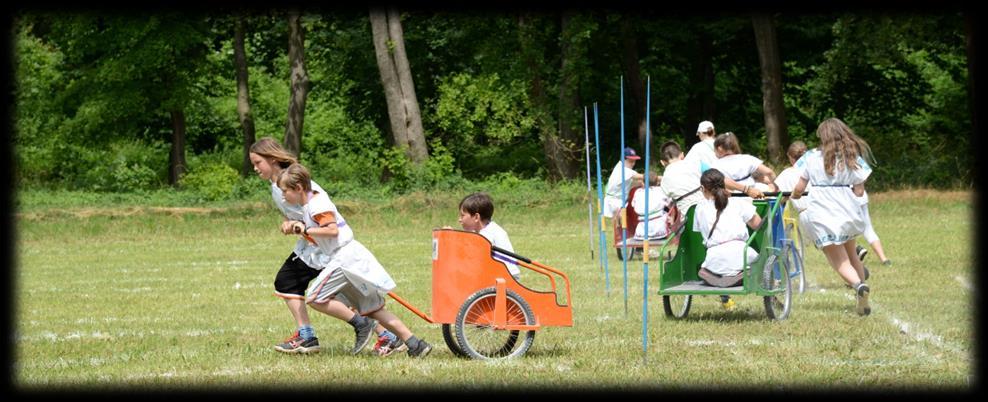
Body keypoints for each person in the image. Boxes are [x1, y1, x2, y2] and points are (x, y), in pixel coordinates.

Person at [248, 138, 399, 356]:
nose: (254, 168)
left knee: (331, 292)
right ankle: (387, 336)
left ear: (272, 159)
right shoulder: (276, 185)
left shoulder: (292, 180)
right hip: (312, 247)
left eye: (257, 162)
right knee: (333, 292)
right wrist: (290, 223)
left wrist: (299, 227)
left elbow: (317, 213)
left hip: (323, 249)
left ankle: (314, 335)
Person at [278, 163, 433, 357]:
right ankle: (415, 344)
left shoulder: (317, 204)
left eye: (285, 191)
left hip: (344, 259)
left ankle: (361, 324)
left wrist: (305, 229)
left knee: (315, 298)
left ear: (299, 188)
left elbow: (332, 230)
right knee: (372, 308)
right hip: (350, 258)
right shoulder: (310, 205)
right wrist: (297, 227)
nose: (283, 196)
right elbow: (322, 237)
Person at [791, 118, 875, 316]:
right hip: (848, 211)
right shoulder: (852, 157)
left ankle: (858, 286)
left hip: (823, 212)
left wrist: (794, 196)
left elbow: (800, 187)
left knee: (838, 260)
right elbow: (859, 191)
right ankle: (861, 287)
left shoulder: (811, 157)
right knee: (852, 254)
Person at [692, 169, 763, 311]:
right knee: (757, 260)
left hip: (714, 259)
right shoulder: (738, 203)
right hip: (742, 255)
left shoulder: (699, 208)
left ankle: (721, 278)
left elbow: (699, 231)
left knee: (712, 265)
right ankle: (740, 273)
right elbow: (758, 225)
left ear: (703, 188)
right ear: (724, 185)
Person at [454, 192, 521, 280]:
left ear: (476, 217)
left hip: (506, 276)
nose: (460, 219)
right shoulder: (487, 229)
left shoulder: (488, 234)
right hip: (501, 274)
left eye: (462, 215)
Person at [710, 132, 778, 195]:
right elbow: (769, 172)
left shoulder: (715, 165)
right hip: (753, 197)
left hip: (732, 199)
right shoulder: (747, 158)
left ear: (719, 149)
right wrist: (775, 187)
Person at [603, 147, 645, 220]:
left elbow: (632, 183)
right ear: (623, 159)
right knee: (622, 223)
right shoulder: (624, 170)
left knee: (622, 224)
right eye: (630, 161)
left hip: (617, 200)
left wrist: (640, 183)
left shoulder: (621, 167)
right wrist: (663, 178)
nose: (633, 164)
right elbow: (643, 177)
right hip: (615, 201)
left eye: (634, 161)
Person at [855, 186, 893, 266]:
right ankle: (884, 259)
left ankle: (856, 249)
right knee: (868, 229)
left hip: (845, 198)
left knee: (839, 231)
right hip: (861, 197)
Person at [631, 171, 670, 240]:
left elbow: (633, 205)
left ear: (643, 183)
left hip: (641, 233)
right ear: (657, 182)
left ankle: (639, 249)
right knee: (667, 209)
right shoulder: (661, 190)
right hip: (660, 231)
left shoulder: (638, 192)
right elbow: (670, 202)